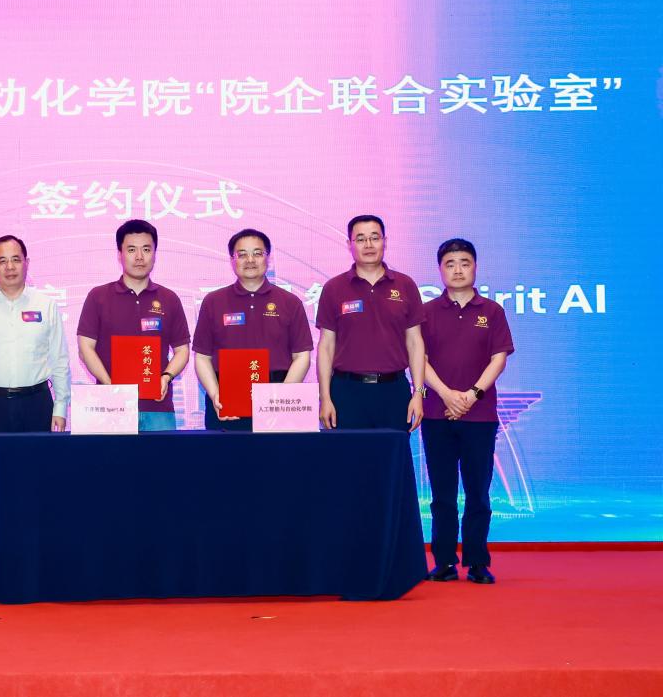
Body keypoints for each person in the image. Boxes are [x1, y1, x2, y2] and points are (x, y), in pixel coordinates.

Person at [421, 238, 514, 585]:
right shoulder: (426, 312)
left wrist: (472, 395)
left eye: (464, 263)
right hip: (436, 413)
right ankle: (444, 561)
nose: (457, 270)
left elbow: (498, 358)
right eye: (450, 263)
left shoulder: (492, 311)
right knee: (442, 493)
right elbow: (419, 360)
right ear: (440, 270)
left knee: (478, 492)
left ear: (475, 267)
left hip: (479, 416)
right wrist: (447, 395)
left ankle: (477, 561)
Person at [0, 235, 70, 477]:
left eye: (16, 260)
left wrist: (60, 407)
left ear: (26, 262)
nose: (10, 267)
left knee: (38, 477)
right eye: (2, 261)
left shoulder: (46, 305)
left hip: (36, 403)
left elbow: (59, 360)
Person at [192, 228, 313, 431]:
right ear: (232, 260)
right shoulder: (213, 301)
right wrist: (215, 394)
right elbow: (202, 357)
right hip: (226, 401)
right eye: (242, 254)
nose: (250, 260)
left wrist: (282, 397)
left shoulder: (290, 302)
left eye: (257, 253)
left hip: (277, 397)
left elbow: (302, 356)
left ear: (268, 258)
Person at [77, 219, 189, 432]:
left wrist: (166, 377)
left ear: (155, 254)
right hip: (110, 406)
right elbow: (85, 348)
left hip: (158, 407)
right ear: (119, 254)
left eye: (146, 249)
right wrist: (110, 386)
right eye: (131, 250)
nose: (139, 257)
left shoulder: (169, 298)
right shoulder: (98, 296)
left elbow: (182, 350)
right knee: (110, 456)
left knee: (162, 455)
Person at [316, 215, 425, 432]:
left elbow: (415, 343)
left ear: (385, 241)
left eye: (375, 238)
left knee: (393, 453)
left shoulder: (405, 285)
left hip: (394, 391)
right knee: (348, 453)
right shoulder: (334, 288)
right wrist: (325, 397)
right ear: (349, 244)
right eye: (360, 239)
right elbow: (326, 346)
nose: (368, 245)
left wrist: (418, 393)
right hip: (346, 392)